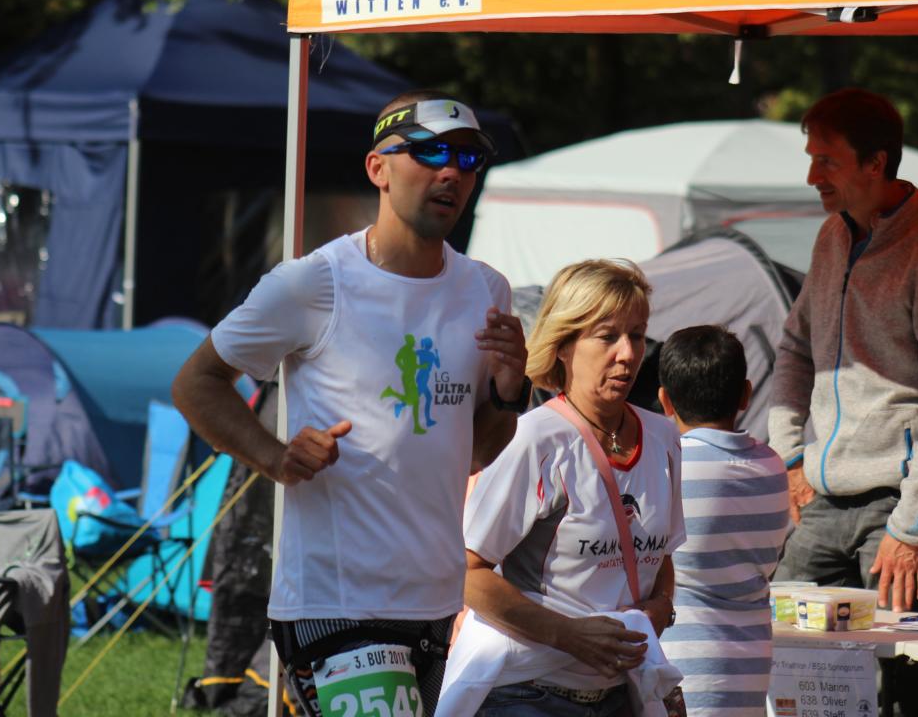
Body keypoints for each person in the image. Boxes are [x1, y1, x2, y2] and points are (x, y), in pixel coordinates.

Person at [171, 89, 530, 717]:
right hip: (335, 602)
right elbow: (196, 383)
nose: (451, 171)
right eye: (430, 152)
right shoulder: (314, 282)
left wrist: (509, 390)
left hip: (434, 599)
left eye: (468, 158)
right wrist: (276, 457)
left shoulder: (486, 290)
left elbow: (477, 450)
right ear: (378, 168)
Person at [768, 87, 918, 716]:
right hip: (827, 500)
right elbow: (794, 347)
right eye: (812, 159)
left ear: (876, 163)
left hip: (903, 505)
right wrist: (789, 458)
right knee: (790, 660)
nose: (812, 177)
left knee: (899, 689)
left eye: (826, 161)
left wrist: (912, 525)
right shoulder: (831, 237)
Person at [437, 260, 686, 717]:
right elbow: (467, 572)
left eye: (637, 335)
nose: (628, 354)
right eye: (607, 336)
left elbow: (661, 555)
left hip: (621, 696)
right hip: (528, 696)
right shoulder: (534, 439)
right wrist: (567, 635)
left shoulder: (664, 437)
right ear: (564, 345)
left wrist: (662, 609)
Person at [656, 325, 789, 717]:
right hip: (750, 678)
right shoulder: (773, 466)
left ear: (665, 401)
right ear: (746, 394)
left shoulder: (670, 465)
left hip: (680, 678)